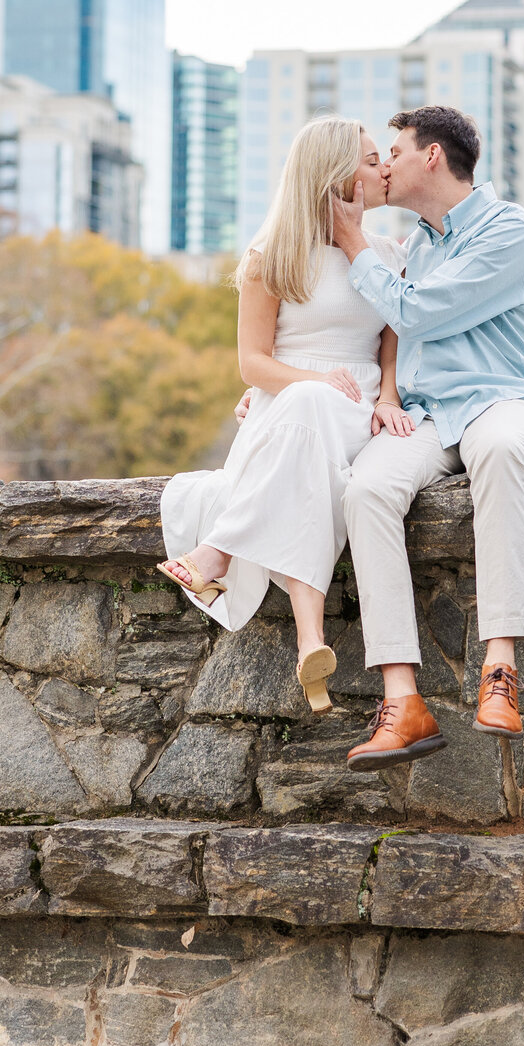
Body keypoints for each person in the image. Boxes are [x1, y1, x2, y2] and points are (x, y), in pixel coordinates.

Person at [156, 116, 419, 720]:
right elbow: (252, 363)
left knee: (313, 421)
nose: (385, 168)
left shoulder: (388, 256)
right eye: (373, 158)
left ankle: (216, 553)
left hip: (355, 403)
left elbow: (392, 344)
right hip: (285, 403)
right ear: (334, 173)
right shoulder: (270, 256)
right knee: (305, 424)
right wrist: (309, 382)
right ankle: (311, 639)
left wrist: (387, 400)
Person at [329, 104, 524, 770]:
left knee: (498, 447)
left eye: (394, 151)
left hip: (506, 404)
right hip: (432, 416)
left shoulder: (509, 229)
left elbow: (416, 313)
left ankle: (501, 667)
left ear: (432, 156)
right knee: (367, 488)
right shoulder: (418, 246)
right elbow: (371, 332)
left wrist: (353, 245)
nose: (385, 164)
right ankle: (403, 700)